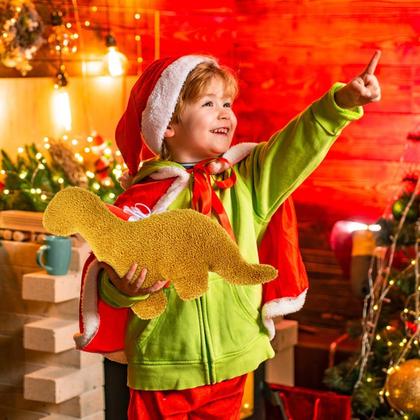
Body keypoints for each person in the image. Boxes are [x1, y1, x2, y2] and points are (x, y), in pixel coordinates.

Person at [75, 53, 381, 419]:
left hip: (234, 358)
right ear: (169, 123)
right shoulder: (140, 203)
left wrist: (341, 104)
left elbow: (296, 145)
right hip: (165, 366)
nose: (225, 114)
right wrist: (125, 288)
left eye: (227, 103)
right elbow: (110, 283)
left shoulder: (246, 183)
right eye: (208, 103)